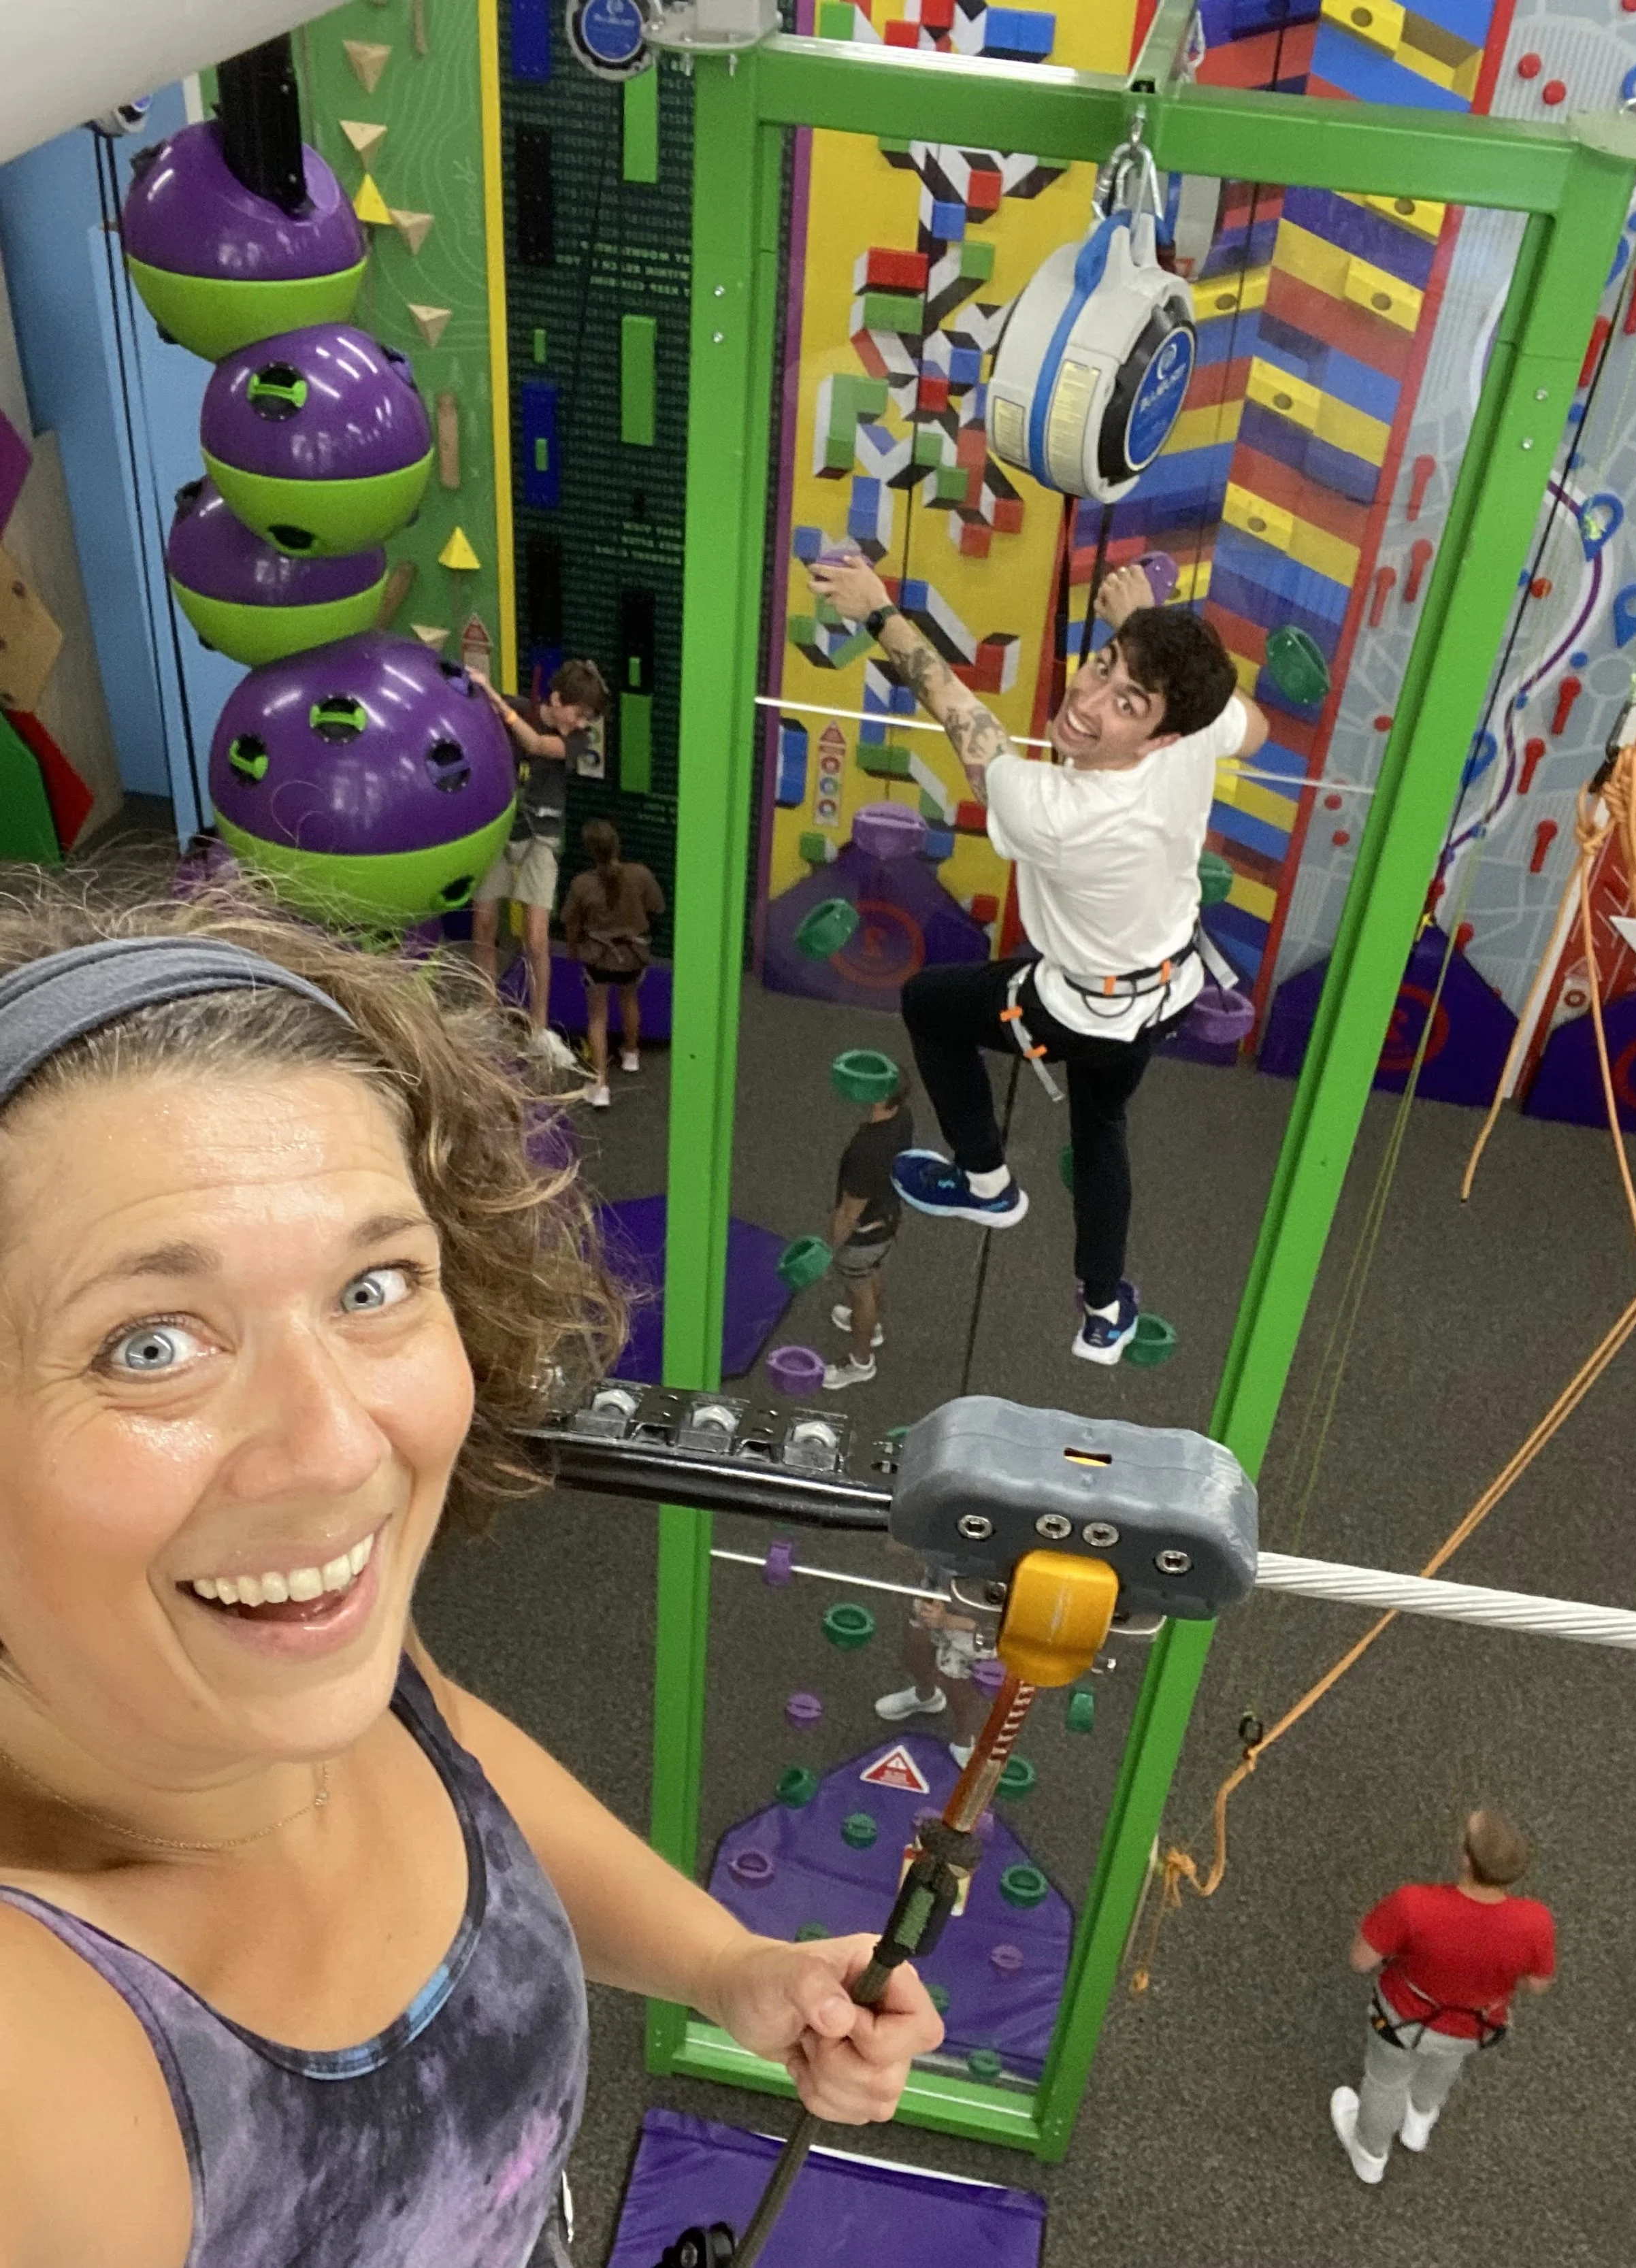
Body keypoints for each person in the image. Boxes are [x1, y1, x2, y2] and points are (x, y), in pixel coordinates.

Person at [0, 876, 942, 2268]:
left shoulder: (304, 1647)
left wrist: (722, 1964)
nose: (333, 1449)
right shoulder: (39, 2077)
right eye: (151, 1342)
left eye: (372, 1287)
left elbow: (454, 1750)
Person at [808, 553, 1266, 1364]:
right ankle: (1102, 1308)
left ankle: (985, 1182)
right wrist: (1138, 638)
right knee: (1101, 1128)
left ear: (1162, 732)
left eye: (1126, 701)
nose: (1086, 703)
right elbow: (1251, 725)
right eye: (1101, 667)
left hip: (1077, 1005)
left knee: (930, 1002)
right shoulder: (1196, 733)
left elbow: (953, 707)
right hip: (1165, 992)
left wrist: (879, 610)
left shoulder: (1056, 808)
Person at [1330, 1808, 1556, 2185]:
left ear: (1466, 1859)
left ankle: (1370, 2153)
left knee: (1385, 2081)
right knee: (1444, 2065)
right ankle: (1419, 2121)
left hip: (1403, 2018)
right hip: (1476, 2025)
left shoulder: (1413, 1905)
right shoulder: (1536, 1921)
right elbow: (1538, 1984)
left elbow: (1360, 1961)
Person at [469, 660, 610, 1075]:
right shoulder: (516, 708)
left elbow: (535, 745)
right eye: (577, 713)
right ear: (556, 700)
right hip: (499, 831)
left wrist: (495, 698)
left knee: (536, 937)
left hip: (542, 839)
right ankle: (485, 1015)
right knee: (485, 923)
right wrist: (481, 688)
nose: (581, 723)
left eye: (587, 718)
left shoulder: (577, 740)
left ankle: (539, 1029)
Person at [561, 819, 665, 1110]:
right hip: (634, 957)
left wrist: (573, 948)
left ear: (589, 851)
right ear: (617, 844)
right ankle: (631, 1054)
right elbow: (658, 906)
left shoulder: (582, 884)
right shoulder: (641, 875)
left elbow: (571, 922)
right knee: (630, 999)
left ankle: (600, 1084)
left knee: (598, 1017)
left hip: (598, 960)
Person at [822, 1066, 914, 1391]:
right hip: (887, 1221)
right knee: (873, 1273)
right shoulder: (903, 1118)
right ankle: (871, 1328)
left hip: (862, 1238)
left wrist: (827, 1252)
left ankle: (861, 1362)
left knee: (860, 1290)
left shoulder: (866, 1150)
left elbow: (849, 1212)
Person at [874, 1587, 988, 1769]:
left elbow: (1016, 1613)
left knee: (959, 1684)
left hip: (979, 1617)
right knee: (914, 1653)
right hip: (940, 1591)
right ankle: (926, 1697)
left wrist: (951, 1621)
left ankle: (964, 1741)